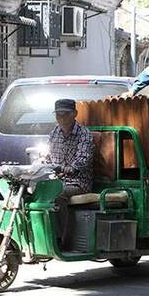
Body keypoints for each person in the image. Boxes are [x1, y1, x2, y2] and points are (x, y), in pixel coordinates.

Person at [45, 99, 94, 245]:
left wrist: (68, 169)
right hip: (56, 180)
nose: (61, 118)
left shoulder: (84, 134)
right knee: (33, 191)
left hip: (78, 183)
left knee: (57, 195)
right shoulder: (54, 132)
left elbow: (83, 160)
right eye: (58, 115)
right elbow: (47, 156)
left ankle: (62, 240)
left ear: (74, 114)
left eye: (65, 114)